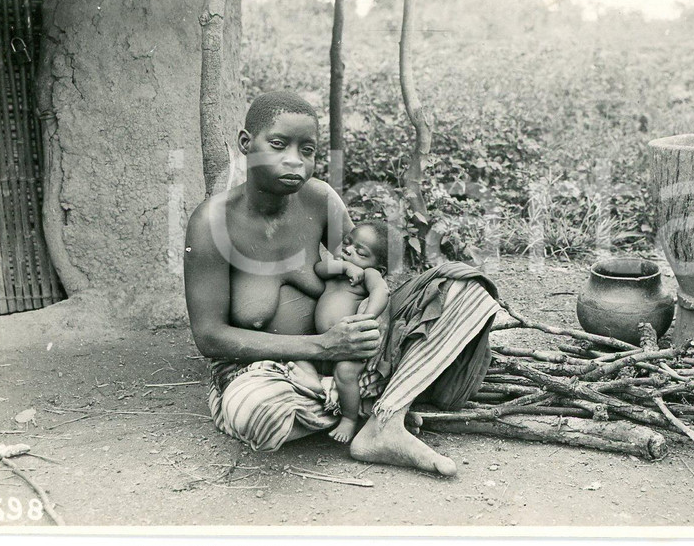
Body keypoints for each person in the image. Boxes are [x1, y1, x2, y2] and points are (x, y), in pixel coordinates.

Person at [183, 90, 501, 476]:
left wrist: (371, 327)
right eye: (279, 144)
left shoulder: (319, 199)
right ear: (246, 143)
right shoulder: (211, 223)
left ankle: (382, 421)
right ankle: (379, 401)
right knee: (258, 412)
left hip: (347, 357)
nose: (295, 161)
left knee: (469, 290)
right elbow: (210, 337)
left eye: (309, 150)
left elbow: (368, 270)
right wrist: (321, 347)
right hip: (267, 369)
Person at [288, 221, 392, 443]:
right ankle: (318, 387)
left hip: (351, 344)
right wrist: (345, 267)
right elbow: (317, 268)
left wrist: (367, 317)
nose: (349, 250)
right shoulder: (336, 269)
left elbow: (381, 291)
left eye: (360, 252)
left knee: (345, 372)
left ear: (378, 266)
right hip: (324, 344)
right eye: (347, 243)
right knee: (296, 356)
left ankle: (349, 419)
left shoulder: (370, 274)